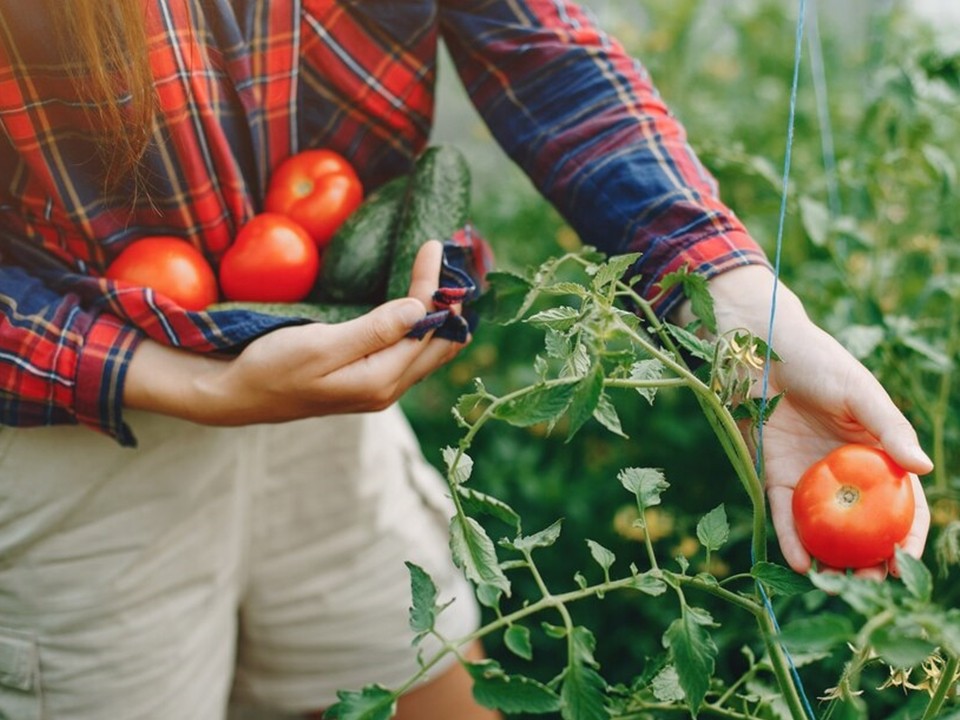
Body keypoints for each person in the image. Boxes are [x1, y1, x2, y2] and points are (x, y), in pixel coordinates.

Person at [0, 1, 932, 719]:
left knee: (429, 678)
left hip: (324, 383)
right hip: (74, 430)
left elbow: (540, 49)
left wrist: (736, 305)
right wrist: (178, 379)